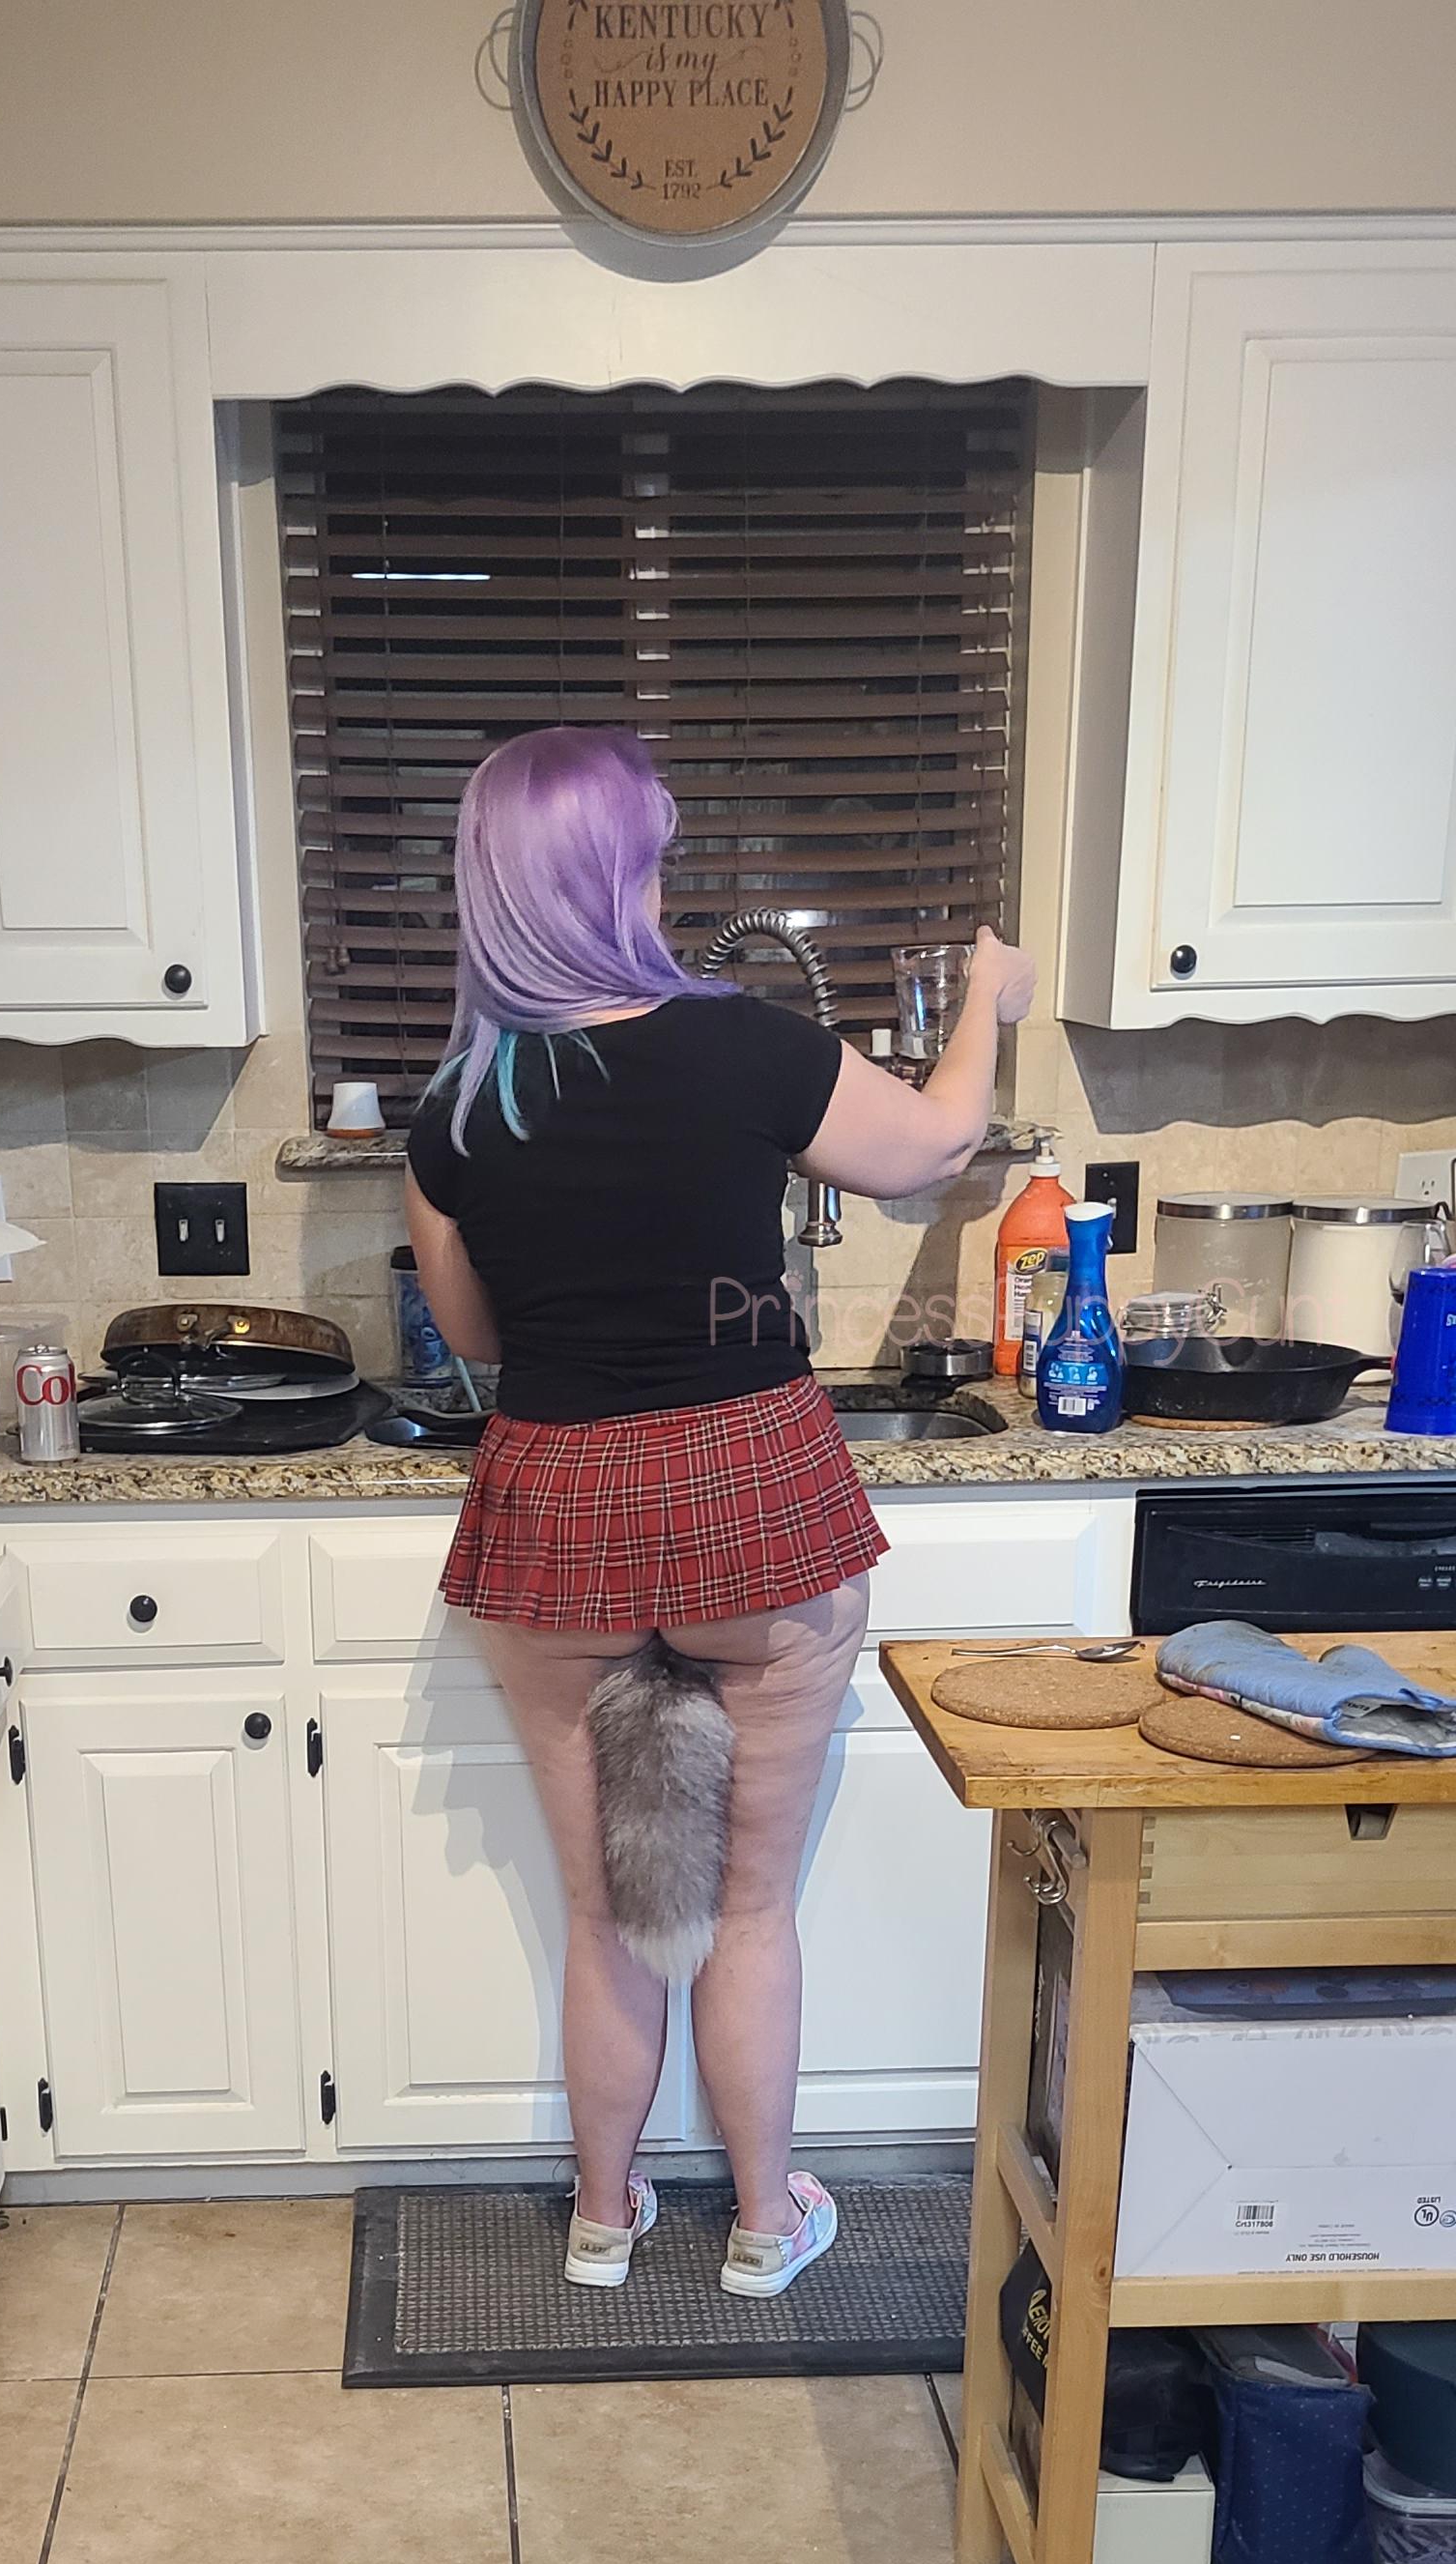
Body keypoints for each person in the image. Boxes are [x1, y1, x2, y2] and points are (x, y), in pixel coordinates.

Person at [403, 726, 1034, 2296]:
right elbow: (938, 1144)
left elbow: (474, 1336)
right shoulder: (745, 1047)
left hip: (556, 1504)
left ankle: (602, 2222)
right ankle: (764, 2226)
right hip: (752, 1494)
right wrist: (989, 1000)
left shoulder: (460, 1106)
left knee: (604, 1914)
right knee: (748, 1910)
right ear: (630, 870)